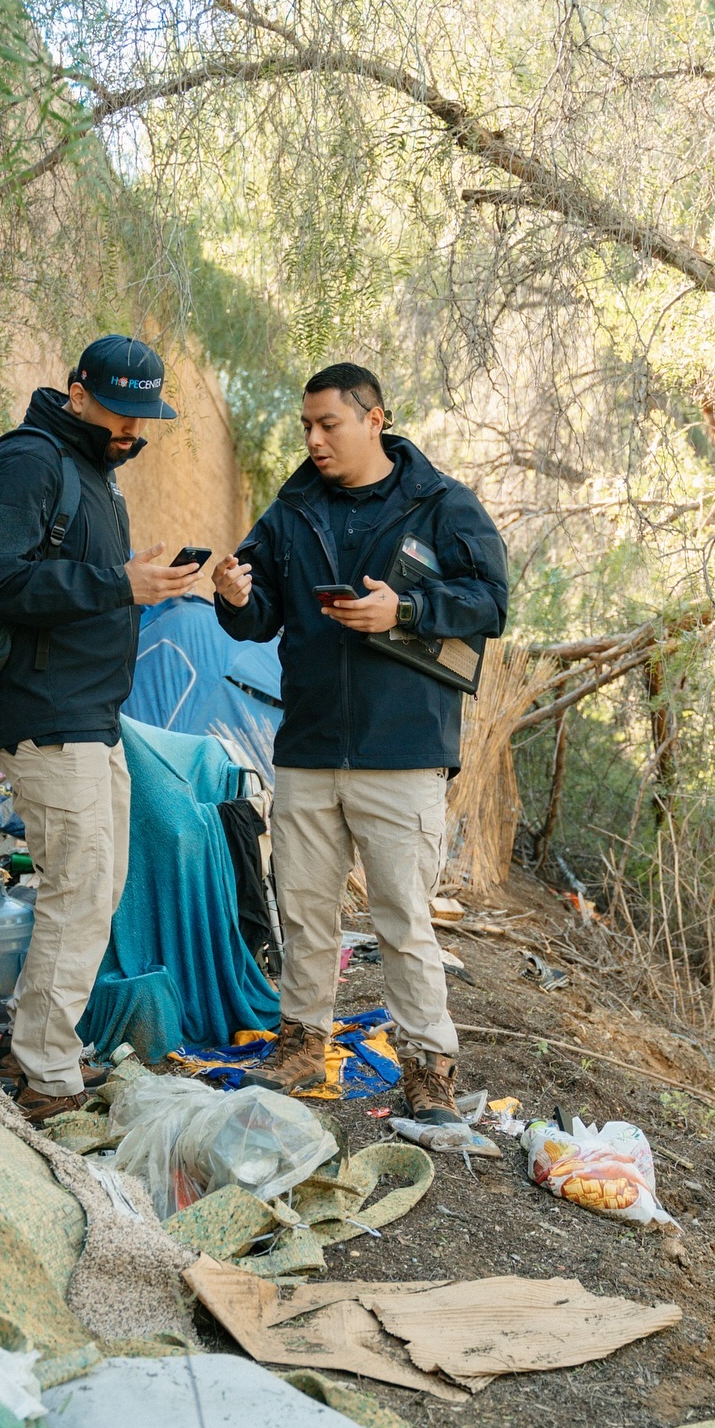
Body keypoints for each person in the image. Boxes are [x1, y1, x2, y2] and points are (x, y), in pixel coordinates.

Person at [213, 363, 508, 1123]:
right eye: (305, 426)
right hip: (308, 746)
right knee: (305, 912)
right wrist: (236, 597)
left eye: (328, 425)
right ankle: (302, 1044)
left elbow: (490, 602)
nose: (313, 440)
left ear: (375, 418)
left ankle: (427, 1069)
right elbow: (260, 613)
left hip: (403, 751)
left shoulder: (441, 503)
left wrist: (405, 610)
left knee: (403, 919)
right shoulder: (292, 509)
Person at [0, 335, 202, 1121]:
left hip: (92, 715)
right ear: (76, 393)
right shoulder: (28, 462)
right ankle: (43, 1074)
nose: (133, 429)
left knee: (95, 889)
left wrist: (136, 580)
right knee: (80, 888)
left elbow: (76, 587)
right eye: (120, 410)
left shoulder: (91, 473)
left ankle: (44, 1051)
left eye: (144, 416)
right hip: (45, 714)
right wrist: (116, 581)